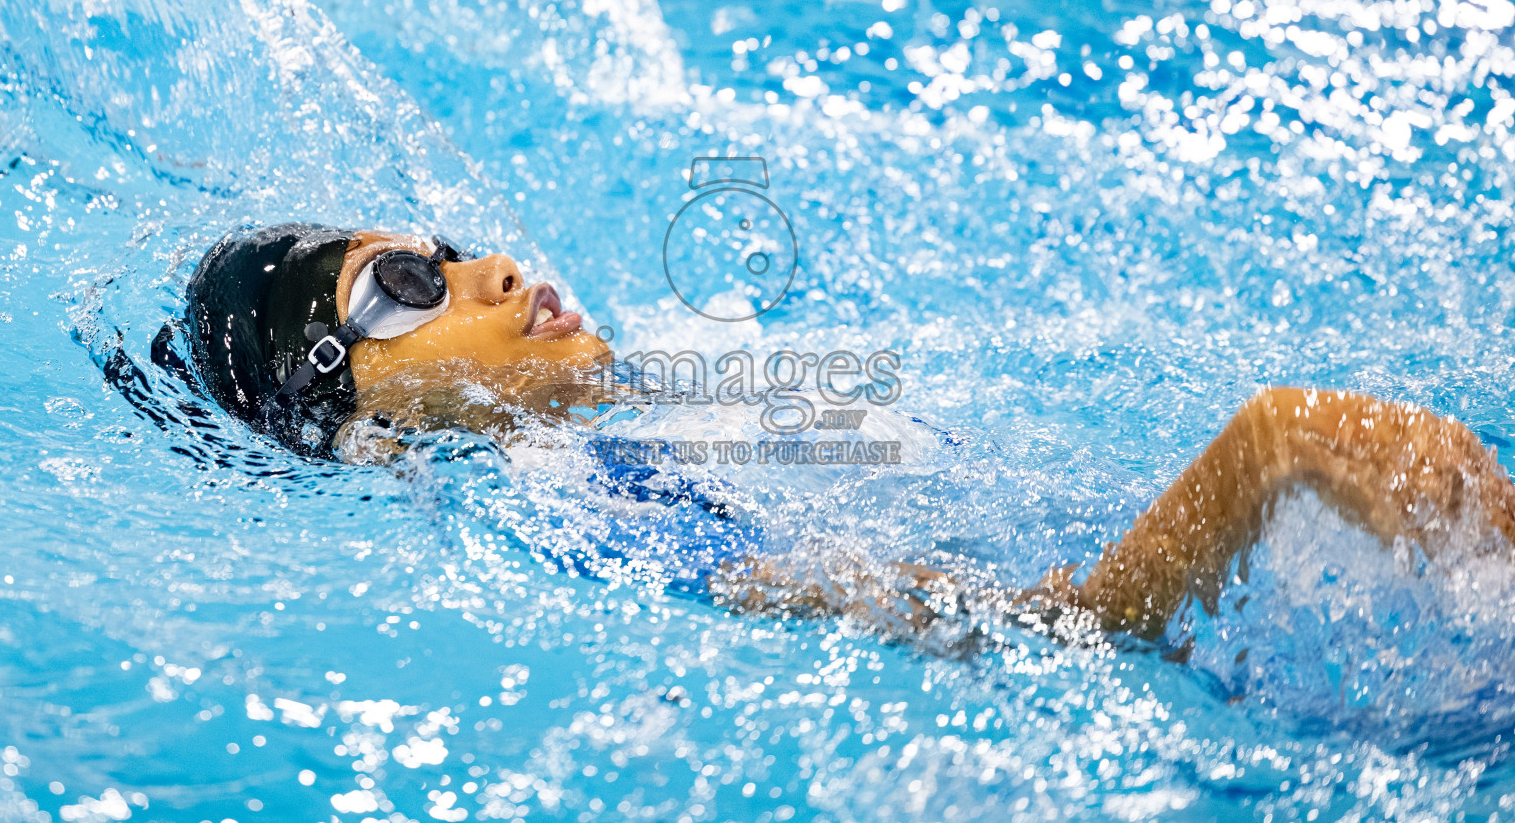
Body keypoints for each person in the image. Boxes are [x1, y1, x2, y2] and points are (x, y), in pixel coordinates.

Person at [166, 223, 1515, 642]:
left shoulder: (688, 389)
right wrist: (1267, 453)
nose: (493, 273)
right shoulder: (592, 524)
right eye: (407, 288)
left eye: (448, 248)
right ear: (365, 423)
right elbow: (1051, 634)